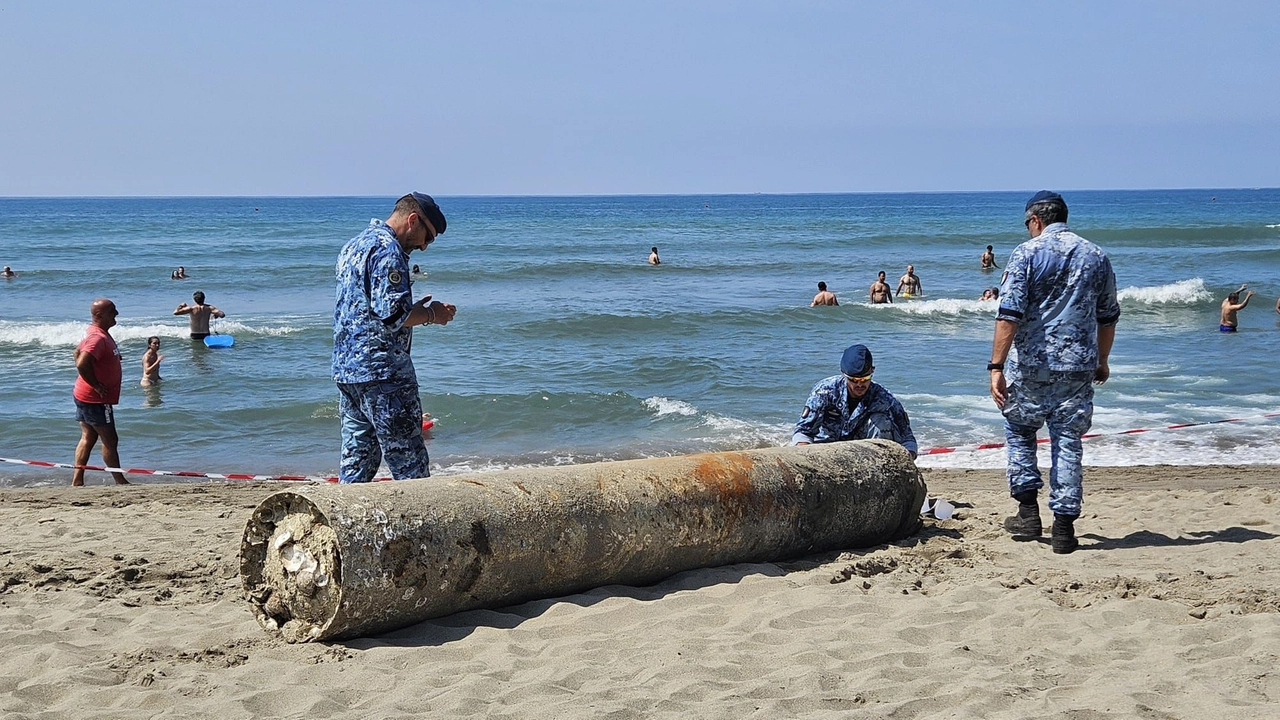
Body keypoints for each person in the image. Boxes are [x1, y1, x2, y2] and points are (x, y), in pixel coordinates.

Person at [988, 191, 1120, 554]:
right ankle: (1063, 528)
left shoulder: (1026, 253)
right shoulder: (1096, 255)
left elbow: (1009, 314)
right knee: (1067, 442)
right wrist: (1102, 359)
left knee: (1019, 431)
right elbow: (1108, 315)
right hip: (1078, 366)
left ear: (1035, 221)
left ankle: (1028, 513)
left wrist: (996, 366)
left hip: (1032, 365)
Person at [333, 192, 456, 483]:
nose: (425, 247)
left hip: (348, 370)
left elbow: (368, 310)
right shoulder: (389, 250)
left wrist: (411, 311)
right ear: (413, 220)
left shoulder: (354, 245)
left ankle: (344, 523)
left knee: (357, 461)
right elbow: (391, 316)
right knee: (410, 464)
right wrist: (432, 315)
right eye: (428, 237)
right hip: (384, 374)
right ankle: (423, 528)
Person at [792, 344, 917, 458]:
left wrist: (908, 457)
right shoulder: (825, 392)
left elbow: (907, 437)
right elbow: (803, 431)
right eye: (853, 380)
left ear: (872, 371)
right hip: (825, 451)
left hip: (864, 456)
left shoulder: (884, 398)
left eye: (865, 379)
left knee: (881, 421)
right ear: (843, 374)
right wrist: (805, 454)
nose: (859, 384)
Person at [72, 299, 129, 486]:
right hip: (95, 399)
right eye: (112, 311)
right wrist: (95, 385)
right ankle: (119, 480)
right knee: (110, 440)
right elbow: (81, 362)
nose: (117, 313)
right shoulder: (97, 337)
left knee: (88, 437)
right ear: (99, 315)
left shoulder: (96, 333)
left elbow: (76, 352)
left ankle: (77, 481)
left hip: (86, 395)